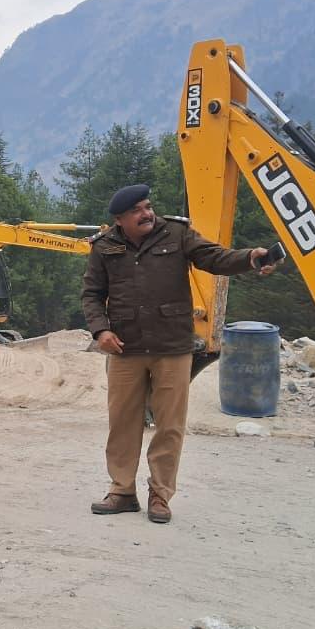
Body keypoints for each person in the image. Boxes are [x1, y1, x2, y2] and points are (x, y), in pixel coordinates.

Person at [81, 184, 279, 524]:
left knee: (169, 426)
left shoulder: (177, 233)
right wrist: (101, 331)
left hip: (172, 346)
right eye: (137, 211)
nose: (146, 213)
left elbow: (215, 258)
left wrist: (250, 258)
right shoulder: (104, 246)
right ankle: (122, 491)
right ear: (120, 220)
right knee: (122, 423)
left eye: (147, 206)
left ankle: (160, 495)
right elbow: (91, 294)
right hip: (125, 348)